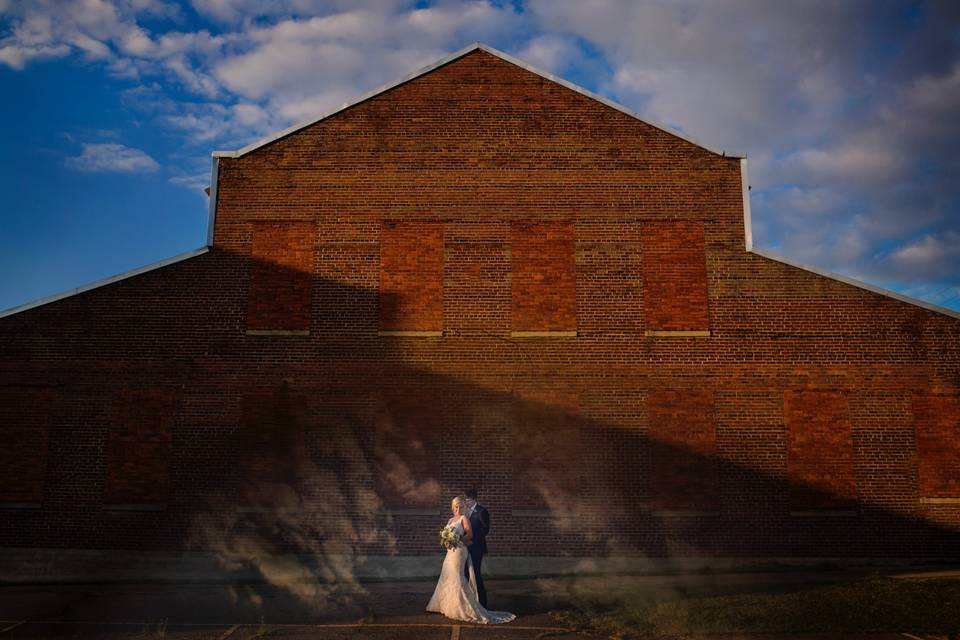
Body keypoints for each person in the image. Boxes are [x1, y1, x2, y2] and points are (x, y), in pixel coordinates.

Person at [426, 496, 515, 624]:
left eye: (460, 506)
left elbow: (469, 534)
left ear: (463, 508)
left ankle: (461, 606)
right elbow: (445, 535)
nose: (458, 509)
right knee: (447, 575)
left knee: (458, 576)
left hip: (460, 551)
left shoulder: (464, 518)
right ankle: (446, 605)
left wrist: (457, 540)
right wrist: (446, 541)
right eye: (455, 507)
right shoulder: (450, 520)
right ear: (452, 508)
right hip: (450, 552)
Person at [463, 488, 490, 607]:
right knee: (466, 573)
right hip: (465, 548)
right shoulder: (465, 512)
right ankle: (470, 600)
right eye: (466, 500)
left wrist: (471, 540)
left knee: (476, 574)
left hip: (477, 548)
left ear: (474, 499)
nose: (467, 502)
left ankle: (482, 602)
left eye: (468, 500)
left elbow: (485, 530)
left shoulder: (482, 511)